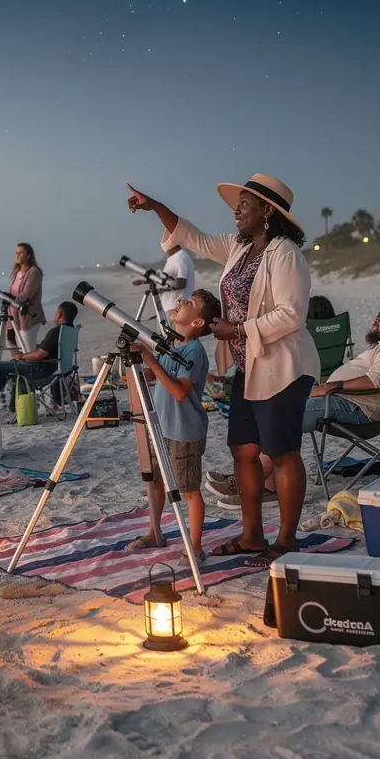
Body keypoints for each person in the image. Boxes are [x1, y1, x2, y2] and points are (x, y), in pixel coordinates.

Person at [127, 174, 319, 567]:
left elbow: (292, 314)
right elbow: (192, 236)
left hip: (283, 366)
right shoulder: (238, 247)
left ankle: (286, 540)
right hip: (248, 369)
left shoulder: (284, 254)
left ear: (268, 211)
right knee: (243, 450)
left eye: (245, 204)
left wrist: (239, 330)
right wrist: (155, 207)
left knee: (281, 453)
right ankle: (252, 536)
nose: (237, 210)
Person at [208, 300, 380, 506]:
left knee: (280, 419)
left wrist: (331, 387)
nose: (377, 318)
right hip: (340, 400)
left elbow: (377, 380)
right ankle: (266, 487)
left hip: (357, 408)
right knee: (269, 409)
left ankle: (247, 484)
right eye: (379, 313)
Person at [125, 289, 221, 566]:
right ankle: (155, 533)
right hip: (161, 426)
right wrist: (139, 363)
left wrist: (151, 361)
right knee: (155, 482)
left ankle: (195, 547)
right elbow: (159, 377)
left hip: (183, 430)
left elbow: (179, 391)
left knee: (189, 490)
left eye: (189, 303)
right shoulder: (173, 345)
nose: (180, 302)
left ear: (198, 322)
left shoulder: (193, 351)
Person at [0, 301, 77, 407]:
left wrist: (21, 356)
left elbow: (39, 355)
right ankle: (13, 407)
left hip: (41, 371)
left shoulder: (56, 331)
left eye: (56, 312)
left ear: (60, 314)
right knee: (11, 367)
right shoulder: (71, 331)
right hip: (58, 369)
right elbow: (47, 350)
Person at [134, 244, 195, 314]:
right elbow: (166, 279)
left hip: (176, 307)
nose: (165, 251)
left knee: (168, 324)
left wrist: (163, 289)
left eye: (165, 248)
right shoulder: (174, 258)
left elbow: (181, 283)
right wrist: (145, 281)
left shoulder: (180, 258)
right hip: (171, 306)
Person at [7, 243, 46, 351]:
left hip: (28, 317)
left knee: (27, 350)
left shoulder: (33, 272)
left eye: (20, 253)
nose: (17, 255)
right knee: (18, 351)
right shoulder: (17, 272)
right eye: (16, 253)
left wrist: (9, 298)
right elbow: (14, 293)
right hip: (14, 318)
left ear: (28, 255)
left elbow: (26, 295)